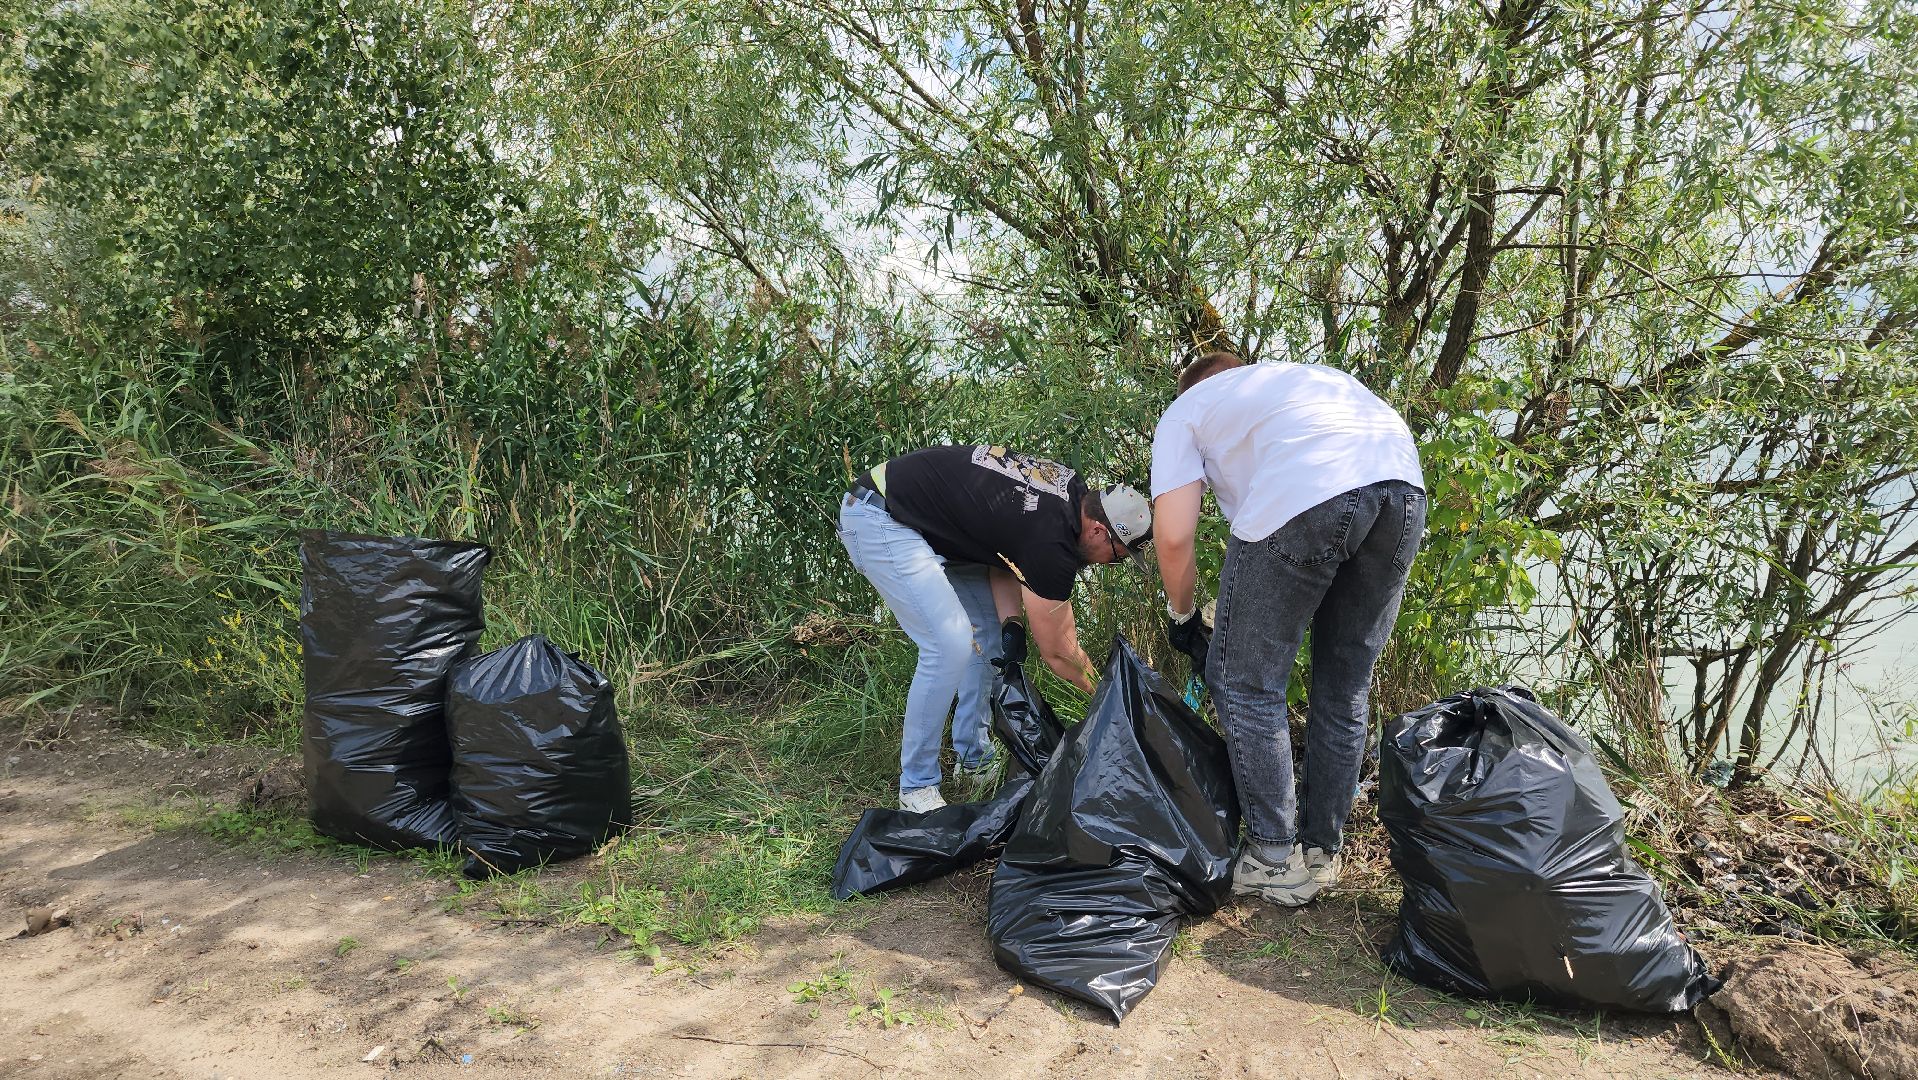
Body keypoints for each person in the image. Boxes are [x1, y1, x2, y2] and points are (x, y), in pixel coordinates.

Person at [1150, 352, 1425, 906]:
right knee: (1345, 683)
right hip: (1403, 488)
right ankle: (1324, 851)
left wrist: (1183, 616)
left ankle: (1274, 859)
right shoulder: (1300, 381)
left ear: (1195, 387)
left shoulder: (1187, 409)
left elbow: (1174, 536)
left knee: (1246, 682)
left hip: (1310, 488)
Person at [838, 445, 1153, 812]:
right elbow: (1061, 654)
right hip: (882, 516)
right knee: (950, 644)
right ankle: (917, 786)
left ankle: (973, 762)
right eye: (1119, 554)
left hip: (932, 527)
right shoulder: (1053, 541)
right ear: (1099, 531)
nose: (1113, 564)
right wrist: (1111, 701)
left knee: (986, 638)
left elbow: (1005, 552)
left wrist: (1012, 624)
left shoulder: (1069, 495)